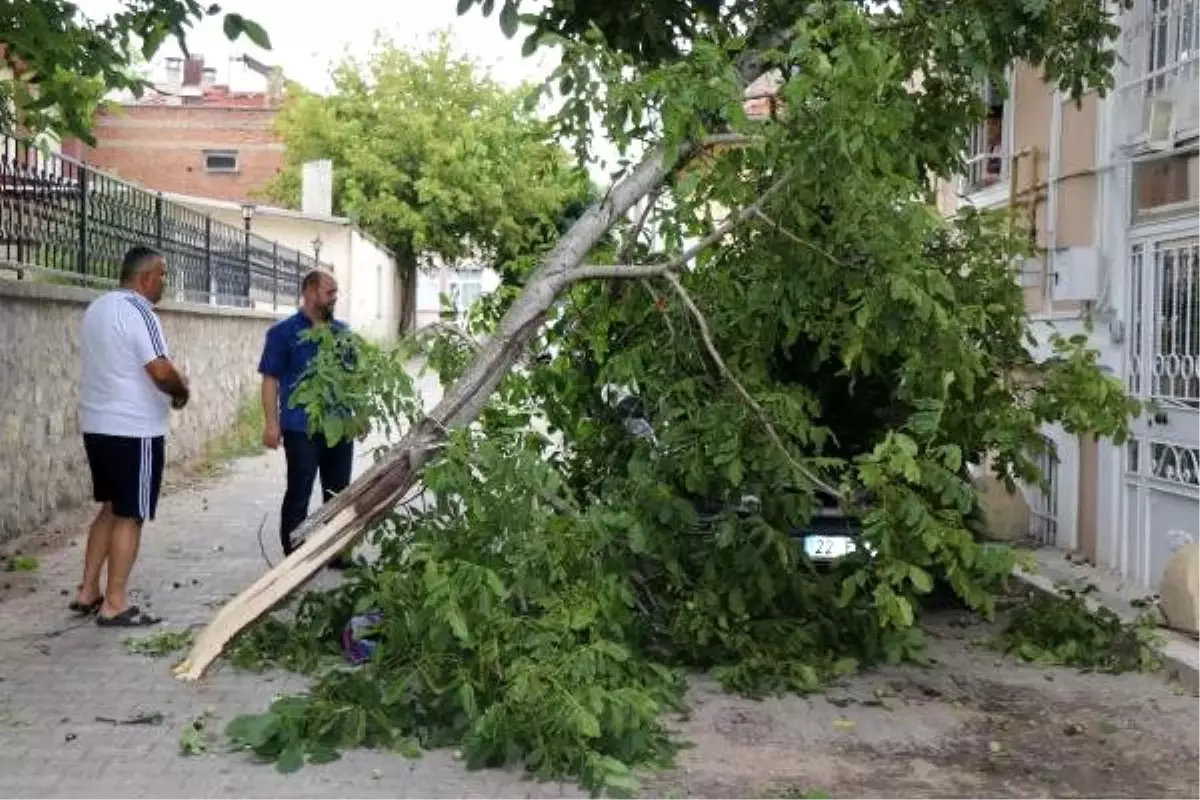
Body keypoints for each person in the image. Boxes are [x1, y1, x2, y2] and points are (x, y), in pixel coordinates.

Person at [72, 245, 190, 627]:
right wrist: (181, 388)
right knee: (131, 515)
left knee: (109, 507)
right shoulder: (140, 312)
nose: (165, 283)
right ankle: (116, 603)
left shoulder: (98, 308)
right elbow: (159, 369)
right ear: (145, 277)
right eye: (163, 275)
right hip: (134, 431)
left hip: (98, 426)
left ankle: (88, 591)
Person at [257, 269, 357, 567]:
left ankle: (336, 553)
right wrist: (271, 424)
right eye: (329, 292)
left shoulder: (342, 333)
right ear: (310, 292)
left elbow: (354, 379)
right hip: (300, 427)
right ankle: (294, 557)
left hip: (339, 426)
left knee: (338, 493)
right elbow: (270, 380)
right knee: (299, 489)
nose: (334, 298)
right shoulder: (282, 333)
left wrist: (359, 416)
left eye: (336, 292)